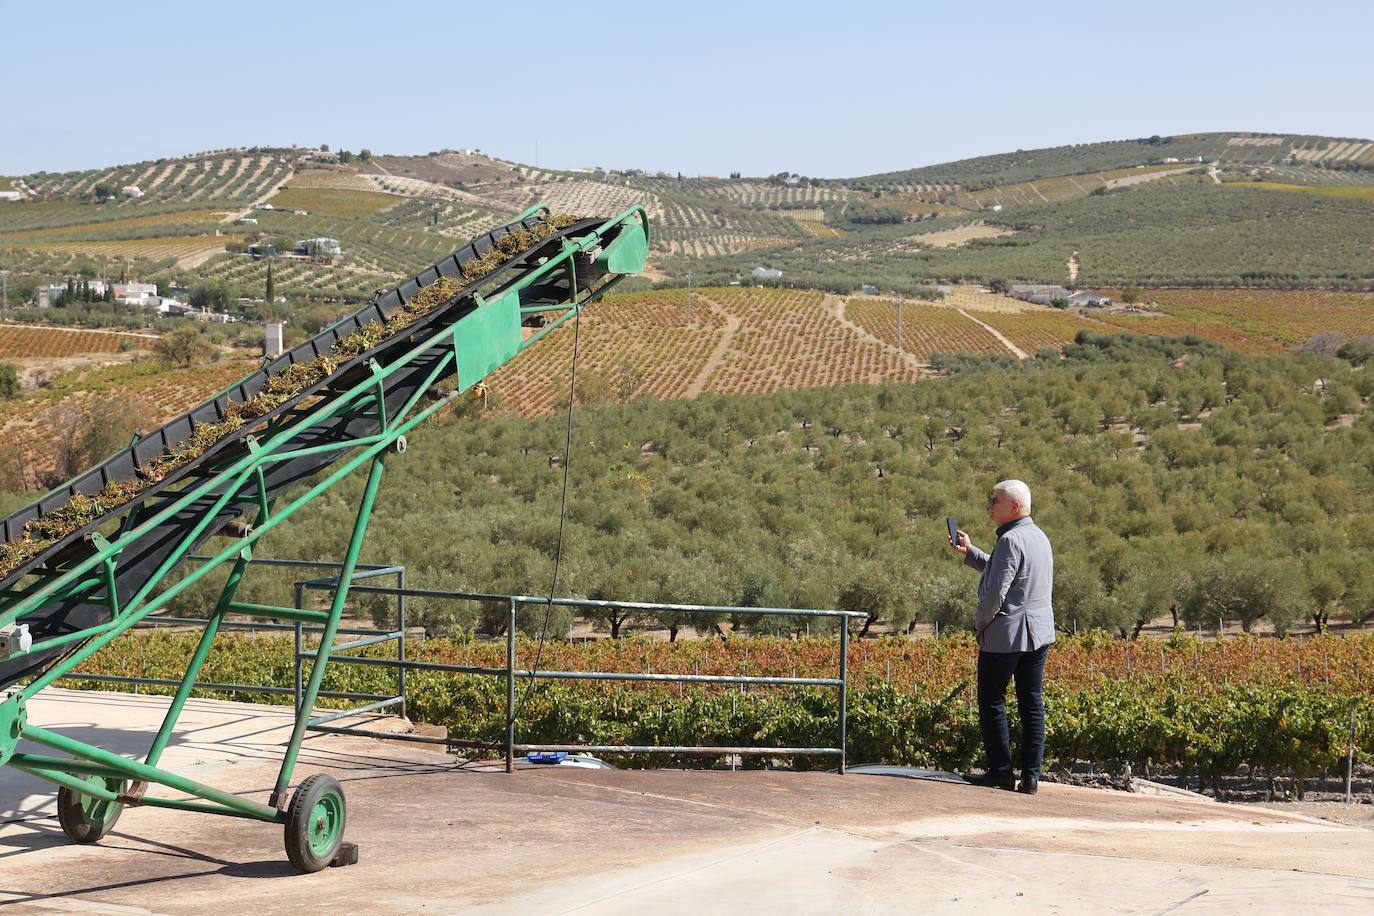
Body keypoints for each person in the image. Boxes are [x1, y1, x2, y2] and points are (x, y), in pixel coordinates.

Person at [950, 479, 1055, 795]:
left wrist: (980, 624)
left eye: (994, 500)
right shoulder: (1038, 537)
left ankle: (1000, 772)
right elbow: (1009, 572)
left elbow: (996, 593)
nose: (989, 505)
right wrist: (970, 552)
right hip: (1038, 636)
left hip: (1006, 636)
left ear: (1015, 507)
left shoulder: (1010, 541)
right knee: (1032, 703)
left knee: (992, 701)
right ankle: (1032, 777)